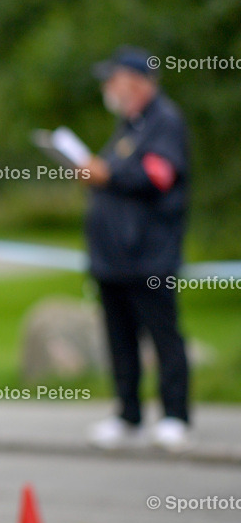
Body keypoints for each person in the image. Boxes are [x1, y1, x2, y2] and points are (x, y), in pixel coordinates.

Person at [78, 46, 191, 452]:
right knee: (120, 338)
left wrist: (107, 173)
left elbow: (159, 175)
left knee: (163, 336)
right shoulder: (129, 126)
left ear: (136, 81)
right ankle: (129, 415)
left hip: (149, 256)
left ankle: (175, 415)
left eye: (114, 77)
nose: (108, 86)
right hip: (114, 259)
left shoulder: (165, 122)